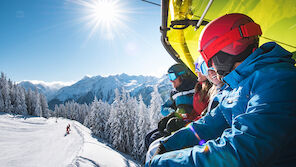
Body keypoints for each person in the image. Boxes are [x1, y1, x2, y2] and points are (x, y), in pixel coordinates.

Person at [146, 13, 296, 167]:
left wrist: (165, 163)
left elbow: (240, 151)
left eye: (210, 59)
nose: (211, 66)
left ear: (224, 53)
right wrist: (169, 144)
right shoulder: (237, 86)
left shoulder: (278, 80)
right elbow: (210, 123)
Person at [145, 63, 197, 150]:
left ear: (183, 76)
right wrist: (173, 113)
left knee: (154, 138)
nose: (171, 80)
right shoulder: (175, 93)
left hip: (190, 124)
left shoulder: (196, 88)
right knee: (148, 137)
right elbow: (164, 107)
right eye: (169, 77)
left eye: (172, 76)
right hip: (176, 122)